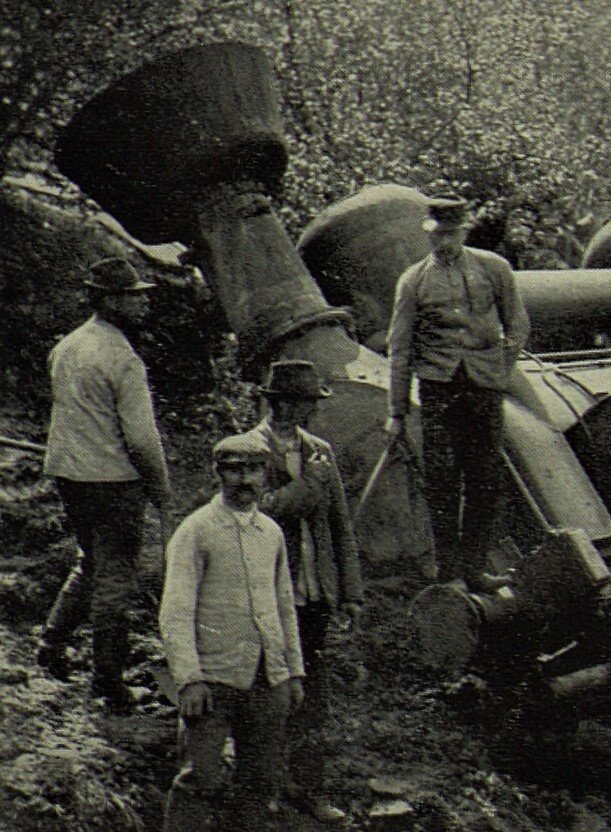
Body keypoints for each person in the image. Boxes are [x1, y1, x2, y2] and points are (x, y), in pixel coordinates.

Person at [37, 256, 172, 714]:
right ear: (110, 301)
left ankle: (51, 644)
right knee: (115, 578)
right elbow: (140, 438)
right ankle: (108, 683)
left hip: (70, 475)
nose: (142, 304)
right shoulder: (122, 358)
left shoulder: (68, 347)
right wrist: (161, 490)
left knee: (91, 562)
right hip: (112, 481)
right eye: (134, 296)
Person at [159, 433, 304, 832]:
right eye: (235, 470)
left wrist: (292, 672)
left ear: (266, 475)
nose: (246, 480)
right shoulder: (196, 531)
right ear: (218, 473)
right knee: (199, 778)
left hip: (266, 679)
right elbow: (175, 611)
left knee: (259, 781)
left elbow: (284, 607)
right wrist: (188, 679)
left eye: (254, 470)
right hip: (213, 680)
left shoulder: (271, 533)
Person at [384, 196, 530, 590]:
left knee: (486, 479)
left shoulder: (494, 268)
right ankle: (449, 573)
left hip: (484, 388)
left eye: (451, 234)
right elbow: (399, 348)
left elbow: (517, 324)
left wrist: (501, 367)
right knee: (443, 481)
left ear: (464, 232)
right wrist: (396, 411)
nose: (443, 243)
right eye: (437, 235)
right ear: (428, 235)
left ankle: (475, 569)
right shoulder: (413, 281)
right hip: (438, 390)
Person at [248, 359, 363, 824]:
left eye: (311, 404)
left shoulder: (320, 451)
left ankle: (308, 787)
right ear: (276, 402)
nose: (306, 412)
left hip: (315, 593)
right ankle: (265, 785)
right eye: (298, 403)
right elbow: (263, 514)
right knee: (270, 691)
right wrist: (307, 486)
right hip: (272, 592)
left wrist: (351, 592)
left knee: (313, 695)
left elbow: (340, 528)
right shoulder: (249, 451)